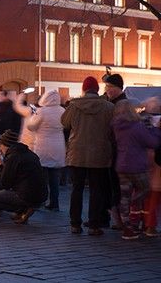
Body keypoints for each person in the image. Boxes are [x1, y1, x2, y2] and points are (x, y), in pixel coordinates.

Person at [61, 76, 114, 235]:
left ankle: (75, 224)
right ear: (97, 90)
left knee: (76, 189)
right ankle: (94, 225)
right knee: (96, 189)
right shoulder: (108, 107)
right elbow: (112, 129)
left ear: (84, 89)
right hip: (100, 152)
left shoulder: (74, 105)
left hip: (77, 152)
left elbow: (64, 123)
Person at [111, 100, 160, 240]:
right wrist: (156, 130)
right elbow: (153, 143)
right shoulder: (136, 127)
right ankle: (139, 215)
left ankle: (128, 228)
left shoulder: (116, 126)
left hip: (122, 166)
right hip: (137, 166)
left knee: (124, 196)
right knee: (145, 189)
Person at [0, 130, 47, 224]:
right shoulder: (30, 153)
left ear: (4, 145)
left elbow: (5, 183)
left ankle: (22, 210)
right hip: (41, 195)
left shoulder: (13, 157)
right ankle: (24, 209)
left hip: (25, 195)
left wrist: (0, 167)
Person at [27, 90, 66, 211]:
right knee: (55, 178)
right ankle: (55, 203)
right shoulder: (63, 111)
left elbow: (31, 126)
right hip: (58, 146)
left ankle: (41, 201)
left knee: (42, 177)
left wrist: (32, 117)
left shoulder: (41, 111)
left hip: (43, 146)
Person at [103, 73, 127, 230]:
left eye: (110, 87)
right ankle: (114, 217)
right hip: (113, 150)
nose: (107, 90)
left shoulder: (121, 105)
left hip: (119, 152)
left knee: (117, 186)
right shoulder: (111, 102)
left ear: (118, 88)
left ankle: (119, 220)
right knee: (112, 185)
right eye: (106, 87)